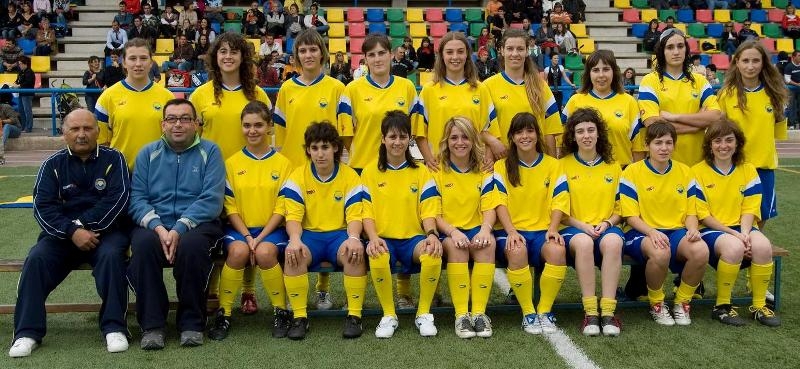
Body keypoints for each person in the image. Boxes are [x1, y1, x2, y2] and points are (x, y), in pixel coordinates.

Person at [8, 109, 131, 357]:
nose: (82, 135)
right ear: (64, 134)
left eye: (87, 128)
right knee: (36, 260)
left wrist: (82, 226)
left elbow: (117, 201)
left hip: (106, 233)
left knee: (111, 258)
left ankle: (114, 327)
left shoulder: (115, 159)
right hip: (62, 236)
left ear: (98, 131)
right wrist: (72, 231)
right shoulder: (51, 165)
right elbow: (43, 208)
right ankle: (27, 332)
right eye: (75, 129)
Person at [127, 98, 225, 350]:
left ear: (196, 124)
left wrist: (179, 228)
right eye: (171, 119)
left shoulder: (211, 151)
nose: (178, 124)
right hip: (155, 224)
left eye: (185, 119)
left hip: (197, 224)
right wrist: (160, 228)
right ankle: (152, 325)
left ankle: (192, 323)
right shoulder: (148, 153)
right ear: (162, 124)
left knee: (192, 248)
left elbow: (212, 199)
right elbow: (137, 198)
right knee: (144, 246)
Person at [207, 101, 294, 340]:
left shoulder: (283, 164)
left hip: (272, 230)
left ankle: (280, 310)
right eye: (247, 125)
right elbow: (230, 206)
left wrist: (260, 237)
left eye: (258, 125)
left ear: (269, 127)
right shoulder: (231, 163)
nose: (252, 130)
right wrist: (247, 236)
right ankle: (224, 313)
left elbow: (282, 206)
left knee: (265, 253)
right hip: (239, 229)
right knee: (237, 253)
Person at [279, 121, 368, 340]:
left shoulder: (350, 176)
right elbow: (293, 216)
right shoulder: (297, 176)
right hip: (310, 236)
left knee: (355, 252)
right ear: (308, 150)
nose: (320, 154)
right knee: (293, 253)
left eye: (325, 147)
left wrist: (354, 237)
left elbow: (355, 215)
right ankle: (300, 317)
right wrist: (294, 239)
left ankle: (354, 315)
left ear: (335, 148)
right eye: (315, 148)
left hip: (339, 235)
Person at [361, 111, 443, 338]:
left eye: (403, 137)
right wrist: (373, 237)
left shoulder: (421, 171)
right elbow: (365, 211)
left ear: (410, 140)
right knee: (377, 255)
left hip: (413, 240)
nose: (397, 142)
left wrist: (432, 234)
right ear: (383, 139)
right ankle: (389, 315)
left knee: (433, 253)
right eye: (392, 137)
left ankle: (424, 313)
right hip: (383, 238)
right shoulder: (369, 172)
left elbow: (428, 209)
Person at [620, 121, 709, 326]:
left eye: (669, 143)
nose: (664, 148)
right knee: (660, 252)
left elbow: (691, 211)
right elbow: (630, 216)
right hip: (640, 231)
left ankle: (682, 302)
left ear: (674, 145)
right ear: (647, 144)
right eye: (658, 143)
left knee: (701, 250)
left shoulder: (685, 172)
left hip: (676, 230)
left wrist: (693, 229)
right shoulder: (632, 172)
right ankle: (657, 302)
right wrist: (652, 232)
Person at [692, 120, 779, 327]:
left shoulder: (748, 170)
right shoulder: (697, 171)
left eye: (729, 140)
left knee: (763, 246)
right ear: (709, 145)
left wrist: (746, 233)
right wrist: (736, 235)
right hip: (712, 229)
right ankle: (722, 306)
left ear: (738, 143)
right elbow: (703, 215)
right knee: (733, 247)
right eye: (718, 141)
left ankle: (759, 306)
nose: (724, 146)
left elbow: (750, 208)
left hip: (743, 228)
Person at [493, 112, 567, 335]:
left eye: (529, 130)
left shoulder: (554, 165)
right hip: (512, 230)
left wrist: (553, 229)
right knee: (516, 251)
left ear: (537, 134)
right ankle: (528, 313)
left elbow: (560, 199)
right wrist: (512, 231)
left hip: (543, 231)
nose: (525, 136)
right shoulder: (501, 167)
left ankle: (544, 311)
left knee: (557, 251)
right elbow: (499, 201)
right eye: (519, 132)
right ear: (512, 137)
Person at [552, 108, 624, 336]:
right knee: (583, 243)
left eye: (591, 130)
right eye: (580, 131)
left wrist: (608, 223)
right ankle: (590, 313)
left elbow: (621, 207)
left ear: (598, 133)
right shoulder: (561, 165)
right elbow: (558, 208)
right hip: (573, 227)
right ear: (573, 136)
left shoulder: (613, 166)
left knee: (613, 243)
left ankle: (609, 313)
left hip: (606, 226)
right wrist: (581, 225)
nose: (586, 135)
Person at [431, 117, 497, 338]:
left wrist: (486, 229)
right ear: (446, 141)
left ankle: (479, 314)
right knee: (456, 248)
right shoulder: (436, 170)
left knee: (488, 245)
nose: (460, 142)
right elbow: (434, 214)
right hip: (448, 231)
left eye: (465, 137)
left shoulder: (484, 170)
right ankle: (461, 316)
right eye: (454, 137)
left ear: (474, 140)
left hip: (477, 228)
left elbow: (489, 207)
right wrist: (452, 231)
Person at [718, 41, 789, 228]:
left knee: (761, 213)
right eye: (746, 60)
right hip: (734, 166)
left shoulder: (775, 95)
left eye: (756, 61)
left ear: (764, 63)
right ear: (737, 63)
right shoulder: (726, 94)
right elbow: (718, 131)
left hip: (763, 167)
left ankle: (753, 249)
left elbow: (777, 134)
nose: (750, 66)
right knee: (733, 215)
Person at [413, 32, 503, 172]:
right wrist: (429, 159)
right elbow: (420, 133)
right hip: (440, 170)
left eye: (460, 52)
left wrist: (488, 160)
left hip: (475, 169)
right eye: (449, 52)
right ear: (442, 55)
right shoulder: (429, 90)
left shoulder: (481, 89)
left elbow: (490, 131)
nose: (455, 57)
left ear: (467, 54)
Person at [638, 28, 721, 166]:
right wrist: (696, 126)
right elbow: (653, 124)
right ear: (662, 51)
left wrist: (673, 117)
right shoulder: (649, 81)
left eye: (680, 46)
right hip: (663, 166)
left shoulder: (700, 81)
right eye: (670, 47)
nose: (676, 52)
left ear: (686, 50)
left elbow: (716, 116)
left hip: (698, 164)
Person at [95, 38, 175, 169]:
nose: (138, 64)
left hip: (159, 174)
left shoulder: (167, 97)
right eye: (132, 58)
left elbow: (174, 140)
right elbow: (102, 142)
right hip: (121, 174)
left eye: (143, 58)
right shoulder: (107, 97)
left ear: (151, 62)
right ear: (124, 62)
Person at [484, 29, 562, 156]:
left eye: (520, 49)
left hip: (536, 163)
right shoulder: (487, 86)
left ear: (527, 51)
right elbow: (480, 128)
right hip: (503, 163)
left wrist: (552, 167)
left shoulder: (540, 85)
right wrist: (493, 143)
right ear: (502, 51)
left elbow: (550, 131)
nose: (515, 53)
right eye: (510, 49)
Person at [274, 29, 345, 167]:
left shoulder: (337, 88)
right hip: (293, 166)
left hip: (326, 168)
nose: (308, 55)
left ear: (322, 53)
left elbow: (342, 134)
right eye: (302, 51)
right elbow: (279, 132)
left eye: (313, 49)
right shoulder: (286, 88)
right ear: (297, 56)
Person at [562, 50, 645, 166]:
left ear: (614, 72)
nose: (601, 75)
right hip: (583, 175)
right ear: (588, 74)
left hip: (621, 174)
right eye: (595, 70)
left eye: (606, 69)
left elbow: (639, 147)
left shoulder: (629, 102)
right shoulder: (575, 101)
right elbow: (563, 143)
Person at [14, 56, 34, 133]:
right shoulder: (21, 72)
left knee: (27, 110)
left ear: (26, 64)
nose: (20, 65)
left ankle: (28, 127)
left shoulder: (30, 72)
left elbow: (28, 82)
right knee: (21, 110)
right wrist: (15, 84)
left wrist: (19, 85)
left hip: (27, 94)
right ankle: (23, 126)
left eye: (21, 64)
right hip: (21, 93)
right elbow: (17, 80)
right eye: (19, 64)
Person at [0, 90, 20, 165]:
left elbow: (13, 120)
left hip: (15, 129)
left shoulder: (6, 107)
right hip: (2, 129)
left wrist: (2, 121)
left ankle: (1, 148)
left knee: (7, 126)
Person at [784, 51, 800, 128]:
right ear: (793, 57)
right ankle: (792, 124)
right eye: (799, 55)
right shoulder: (789, 67)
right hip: (792, 88)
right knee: (792, 105)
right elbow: (787, 80)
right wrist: (797, 84)